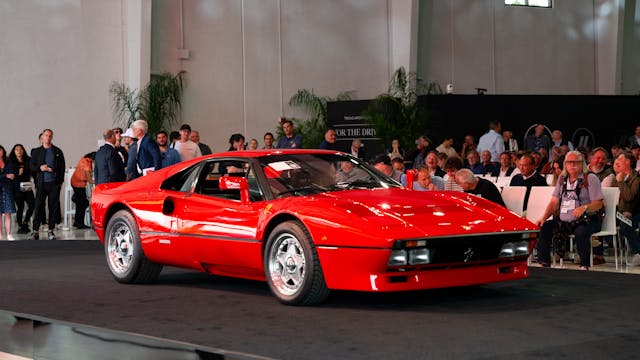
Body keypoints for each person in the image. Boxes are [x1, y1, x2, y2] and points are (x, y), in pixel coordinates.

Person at [534, 150, 604, 270]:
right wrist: (543, 218)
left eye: (575, 162)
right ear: (565, 164)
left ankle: (585, 265)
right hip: (565, 220)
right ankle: (544, 263)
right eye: (569, 162)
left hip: (587, 219)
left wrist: (584, 207)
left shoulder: (590, 178)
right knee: (544, 227)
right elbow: (554, 202)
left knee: (580, 232)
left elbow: (599, 203)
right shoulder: (562, 179)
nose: (572, 165)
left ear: (582, 163)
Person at [30, 128, 65, 240]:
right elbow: (31, 167)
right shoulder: (36, 151)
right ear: (42, 137)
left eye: (50, 136)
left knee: (53, 207)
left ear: (52, 137)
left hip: (53, 183)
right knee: (39, 206)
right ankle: (35, 231)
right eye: (46, 135)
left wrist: (59, 183)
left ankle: (51, 230)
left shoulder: (57, 151)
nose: (48, 137)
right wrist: (40, 168)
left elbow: (62, 168)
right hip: (41, 183)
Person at [611, 151, 640, 266]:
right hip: (618, 212)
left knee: (625, 227)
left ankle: (638, 252)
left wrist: (620, 182)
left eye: (620, 159)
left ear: (628, 162)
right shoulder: (618, 177)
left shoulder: (636, 178)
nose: (617, 161)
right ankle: (596, 253)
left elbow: (629, 197)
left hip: (634, 213)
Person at [9, 144, 35, 234]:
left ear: (23, 151)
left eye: (21, 149)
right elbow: (10, 176)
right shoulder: (11, 162)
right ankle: (20, 226)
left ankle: (25, 222)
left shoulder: (28, 160)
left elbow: (32, 171)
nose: (19, 151)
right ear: (14, 151)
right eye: (17, 149)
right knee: (20, 207)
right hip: (16, 188)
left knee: (32, 205)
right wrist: (18, 173)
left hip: (27, 187)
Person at [70, 152, 94, 229]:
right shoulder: (87, 162)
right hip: (78, 184)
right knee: (82, 204)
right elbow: (90, 179)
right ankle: (79, 223)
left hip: (76, 182)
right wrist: (97, 181)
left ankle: (77, 222)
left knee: (81, 203)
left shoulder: (86, 160)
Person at [0, 145, 17, 240]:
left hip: (7, 189)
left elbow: (13, 175)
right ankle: (0, 234)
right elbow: (8, 176)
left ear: (3, 151)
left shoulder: (9, 163)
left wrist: (4, 176)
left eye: (0, 150)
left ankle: (8, 234)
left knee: (8, 213)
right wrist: (6, 176)